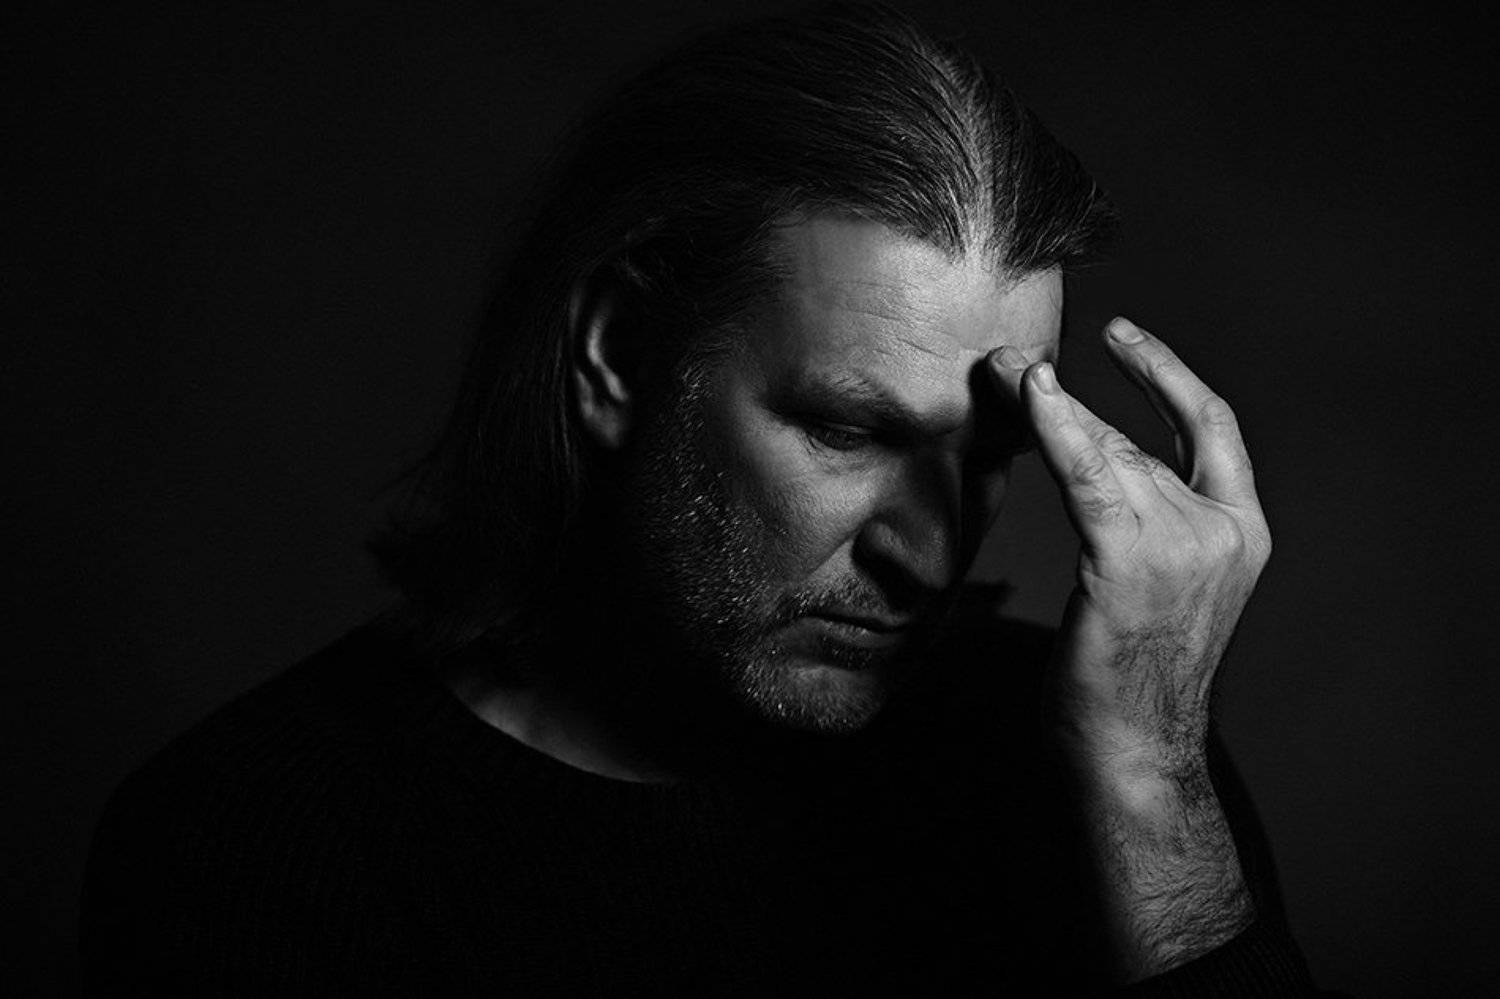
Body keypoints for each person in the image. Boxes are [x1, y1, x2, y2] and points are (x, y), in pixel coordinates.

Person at [81, 4, 1323, 994]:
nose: (925, 552)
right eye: (847, 430)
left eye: (993, 452)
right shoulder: (261, 841)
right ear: (620, 356)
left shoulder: (1104, 761)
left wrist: (1152, 778)